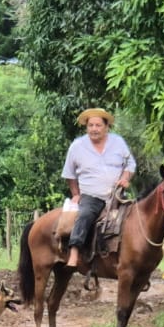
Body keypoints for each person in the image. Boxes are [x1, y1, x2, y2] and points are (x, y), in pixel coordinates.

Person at [61, 107, 135, 272]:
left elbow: (130, 164)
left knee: (133, 218)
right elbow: (69, 173)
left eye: (98, 125)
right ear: (86, 127)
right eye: (91, 125)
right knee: (85, 215)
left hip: (117, 195)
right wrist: (76, 194)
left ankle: (130, 257)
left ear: (106, 127)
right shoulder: (77, 146)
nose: (94, 129)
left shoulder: (118, 142)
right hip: (92, 195)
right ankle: (74, 251)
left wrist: (125, 178)